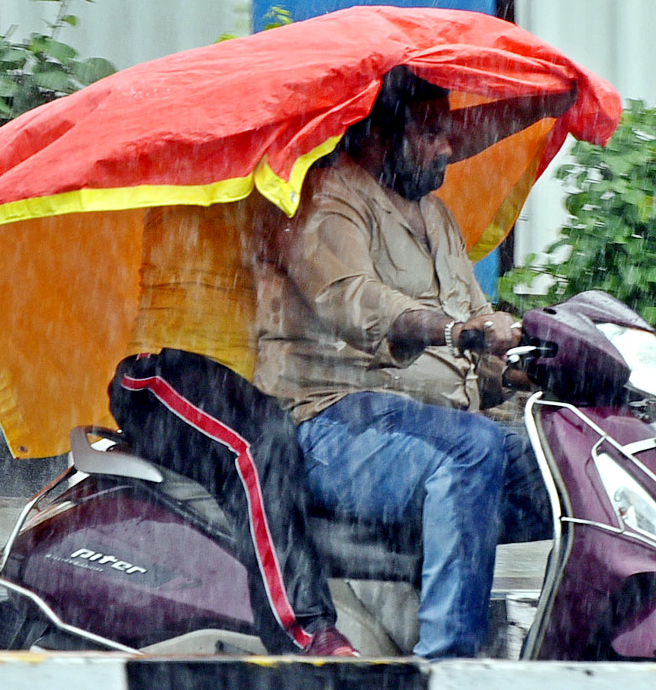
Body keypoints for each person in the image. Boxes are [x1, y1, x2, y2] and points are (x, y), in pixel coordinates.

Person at [253, 66, 570, 659]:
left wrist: (536, 368)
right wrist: (457, 330)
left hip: (427, 427)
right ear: (377, 132)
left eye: (447, 130)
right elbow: (355, 301)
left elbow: (478, 342)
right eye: (429, 133)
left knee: (562, 462)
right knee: (473, 448)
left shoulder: (436, 217)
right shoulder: (326, 199)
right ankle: (448, 663)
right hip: (331, 426)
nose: (448, 147)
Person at [107, 203, 356, 656]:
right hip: (162, 369)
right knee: (263, 442)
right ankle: (306, 634)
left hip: (249, 386)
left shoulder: (292, 181)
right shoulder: (204, 162)